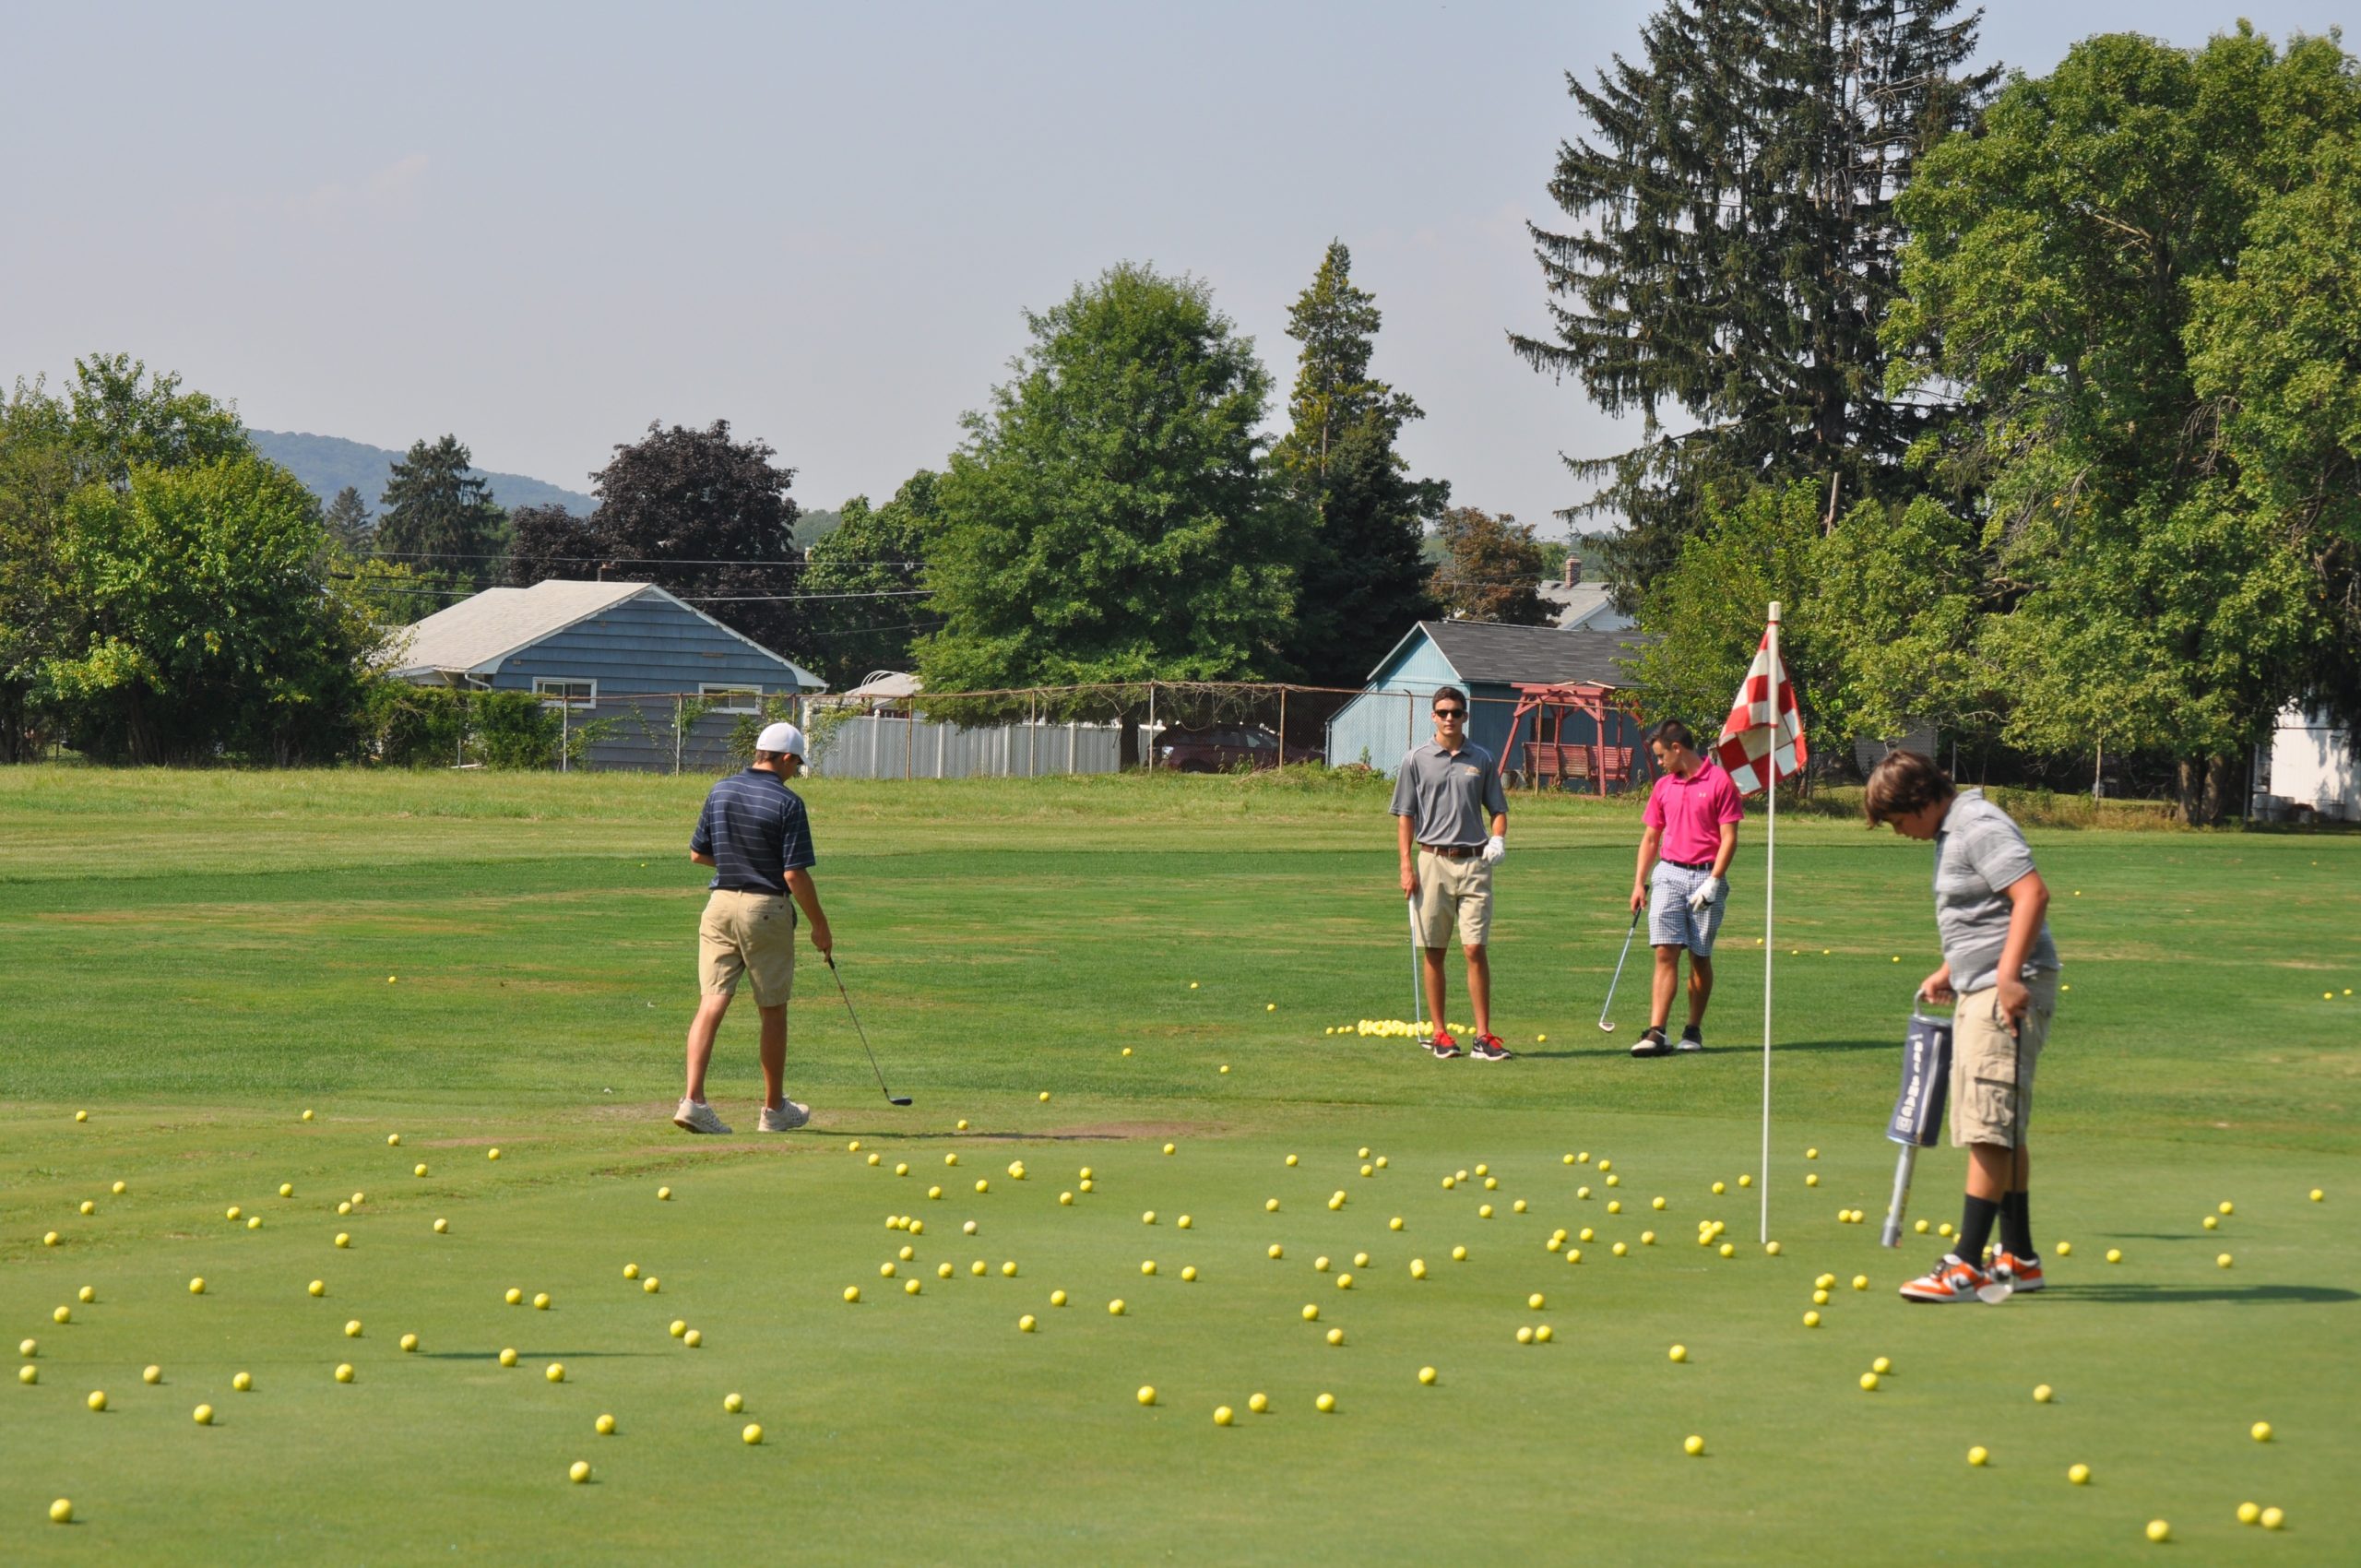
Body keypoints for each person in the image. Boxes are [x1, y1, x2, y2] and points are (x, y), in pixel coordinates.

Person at [1865, 749, 2058, 1302]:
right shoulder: (1954, 829)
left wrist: (2005, 975)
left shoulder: (1976, 826)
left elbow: (2031, 895)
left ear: (1923, 800)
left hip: (2004, 991)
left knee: (1986, 1125)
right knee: (2004, 1122)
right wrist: (1955, 968)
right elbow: (1985, 914)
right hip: (1986, 983)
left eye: (1900, 821)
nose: (1900, 833)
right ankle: (2018, 1259)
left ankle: (1967, 1265)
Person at [675, 720, 834, 1134]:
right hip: (765, 909)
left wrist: (738, 864)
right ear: (783, 758)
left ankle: (692, 1101)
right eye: (795, 763)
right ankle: (774, 1109)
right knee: (773, 1008)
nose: (796, 771)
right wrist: (820, 924)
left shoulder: (721, 789)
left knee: (711, 1002)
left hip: (719, 906)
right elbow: (794, 875)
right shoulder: (788, 802)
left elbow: (698, 854)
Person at [1392, 686, 1513, 1061]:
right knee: (1435, 950)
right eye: (1443, 712)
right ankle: (1440, 1032)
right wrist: (1406, 865)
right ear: (1433, 715)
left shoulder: (1482, 758)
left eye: (1456, 712)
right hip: (1432, 861)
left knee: (1475, 948)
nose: (1449, 718)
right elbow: (1405, 816)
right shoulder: (1416, 759)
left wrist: (1498, 839)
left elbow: (1498, 809)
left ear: (1465, 716)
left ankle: (1483, 1036)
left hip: (1475, 862)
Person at [1627, 719, 1742, 1057]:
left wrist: (1715, 880)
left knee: (1699, 957)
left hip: (1706, 876)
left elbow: (1729, 838)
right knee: (1665, 951)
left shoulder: (1720, 781)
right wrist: (1638, 883)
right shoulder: (1663, 787)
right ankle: (1657, 1032)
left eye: (1662, 755)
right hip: (1669, 874)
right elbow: (1651, 837)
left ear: (1677, 749)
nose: (1659, 762)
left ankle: (1692, 1029)